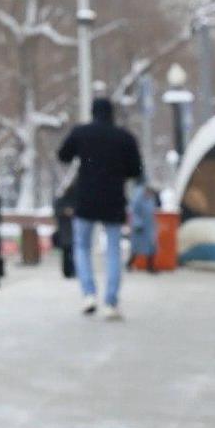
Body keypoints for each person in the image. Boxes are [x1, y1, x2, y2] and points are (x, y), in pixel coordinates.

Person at [55, 96, 142, 319]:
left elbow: (63, 155)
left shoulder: (81, 133)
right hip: (114, 200)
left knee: (82, 247)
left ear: (92, 112)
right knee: (113, 251)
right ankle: (111, 301)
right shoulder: (124, 137)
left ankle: (88, 294)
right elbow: (135, 170)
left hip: (86, 199)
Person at [130, 173, 164, 275]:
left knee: (151, 247)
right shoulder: (138, 195)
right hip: (141, 227)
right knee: (137, 248)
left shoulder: (151, 196)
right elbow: (134, 211)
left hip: (149, 226)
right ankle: (130, 263)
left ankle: (150, 267)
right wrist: (137, 223)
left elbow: (155, 207)